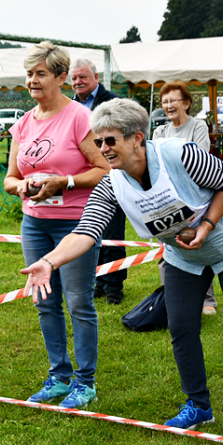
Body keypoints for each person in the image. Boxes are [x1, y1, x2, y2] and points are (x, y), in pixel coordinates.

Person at [22, 98, 223, 442]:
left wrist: (207, 224)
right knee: (182, 327)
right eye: (98, 142)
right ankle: (198, 405)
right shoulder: (112, 184)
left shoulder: (181, 154)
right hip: (183, 255)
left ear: (137, 138)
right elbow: (86, 231)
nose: (104, 149)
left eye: (111, 140)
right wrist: (49, 261)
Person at [3, 42, 109, 409]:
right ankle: (59, 376)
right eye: (30, 74)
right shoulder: (23, 124)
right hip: (35, 224)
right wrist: (23, 187)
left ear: (61, 77)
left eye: (41, 74)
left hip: (77, 224)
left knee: (79, 302)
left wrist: (64, 182)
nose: (33, 80)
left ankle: (86, 382)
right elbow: (10, 178)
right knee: (45, 302)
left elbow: (104, 169)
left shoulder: (81, 117)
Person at [152, 81, 218, 316]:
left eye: (173, 101)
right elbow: (155, 164)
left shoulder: (198, 126)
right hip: (166, 199)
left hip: (194, 198)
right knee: (166, 249)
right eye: (165, 102)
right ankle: (171, 299)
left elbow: (198, 159)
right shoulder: (159, 132)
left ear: (187, 103)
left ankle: (207, 300)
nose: (168, 106)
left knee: (197, 247)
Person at [71, 59, 124, 305]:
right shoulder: (68, 107)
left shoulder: (113, 103)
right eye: (73, 78)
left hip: (112, 177)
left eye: (82, 77)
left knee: (112, 234)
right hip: (83, 181)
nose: (77, 82)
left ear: (95, 77)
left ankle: (114, 286)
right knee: (91, 235)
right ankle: (98, 282)